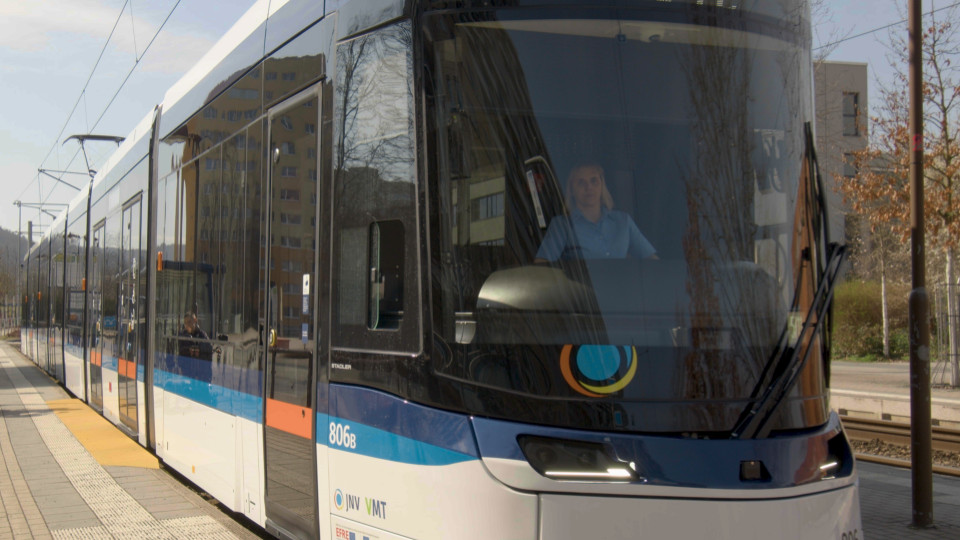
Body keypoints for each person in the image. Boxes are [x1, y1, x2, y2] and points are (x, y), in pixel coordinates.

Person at [535, 163, 657, 262]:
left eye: (594, 181)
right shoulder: (562, 225)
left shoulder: (623, 221)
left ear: (602, 185)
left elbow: (652, 261)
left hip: (623, 290)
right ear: (571, 190)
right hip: (582, 291)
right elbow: (542, 266)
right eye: (581, 182)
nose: (589, 187)